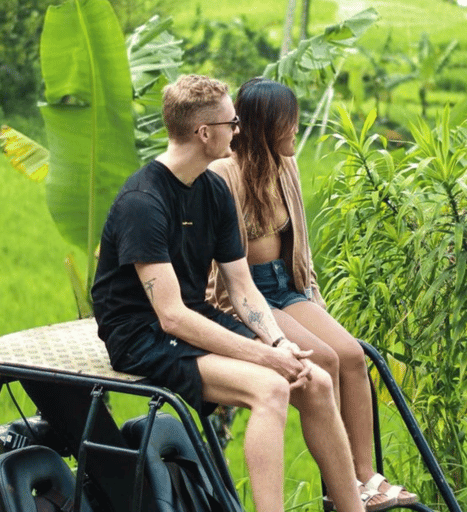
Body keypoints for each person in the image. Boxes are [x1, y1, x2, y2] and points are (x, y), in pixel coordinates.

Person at [92, 74, 364, 512]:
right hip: (142, 337)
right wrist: (264, 357)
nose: (238, 131)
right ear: (204, 133)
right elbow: (171, 317)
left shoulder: (213, 189)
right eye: (232, 123)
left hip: (192, 319)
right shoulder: (143, 202)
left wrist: (279, 343)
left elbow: (242, 288)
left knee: (313, 380)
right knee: (270, 388)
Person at [206, 77, 418, 510]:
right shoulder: (223, 174)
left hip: (287, 285)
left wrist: (313, 300)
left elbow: (298, 248)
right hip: (248, 295)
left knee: (352, 354)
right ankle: (337, 486)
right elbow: (224, 274)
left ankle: (365, 476)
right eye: (290, 124)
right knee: (322, 359)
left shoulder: (287, 166)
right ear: (266, 126)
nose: (296, 132)